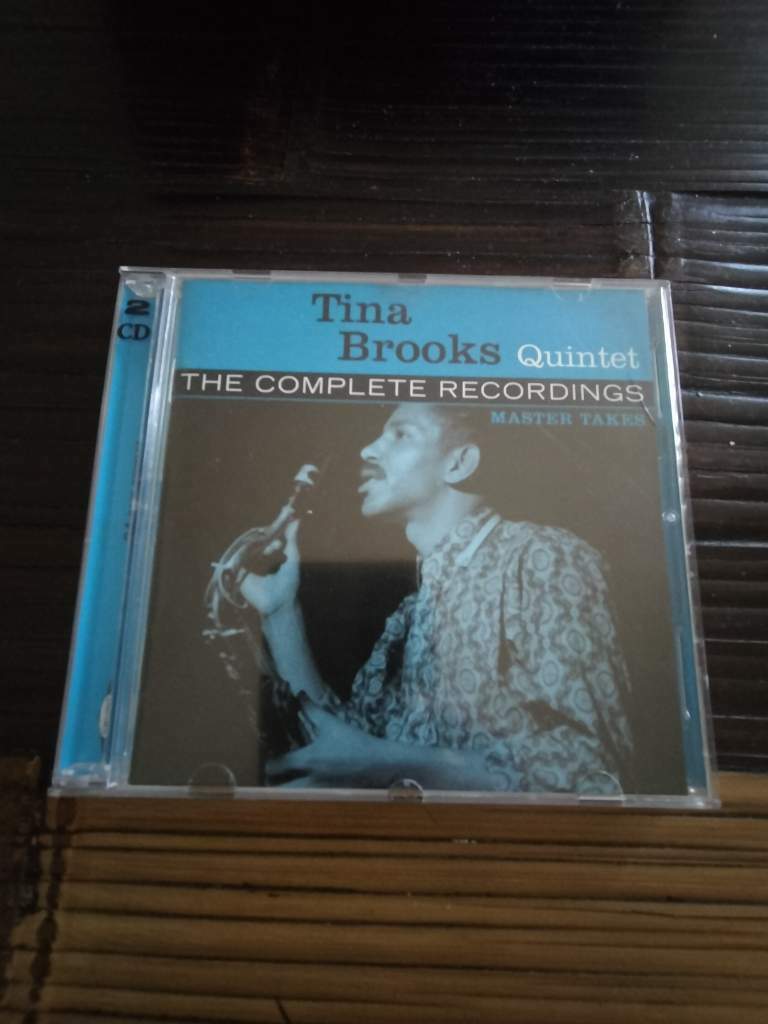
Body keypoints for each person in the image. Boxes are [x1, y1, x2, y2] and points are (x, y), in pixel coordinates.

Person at [240, 402, 634, 794]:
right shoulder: (408, 616)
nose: (367, 450)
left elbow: (594, 772)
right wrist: (280, 611)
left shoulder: (541, 557)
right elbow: (344, 750)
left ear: (459, 463)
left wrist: (387, 765)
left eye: (401, 434)